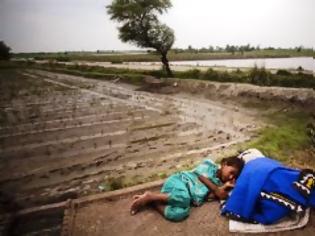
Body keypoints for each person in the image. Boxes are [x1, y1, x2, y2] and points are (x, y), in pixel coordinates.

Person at [130, 156, 245, 222]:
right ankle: (150, 196)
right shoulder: (210, 166)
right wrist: (217, 190)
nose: (231, 177)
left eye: (234, 177)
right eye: (231, 172)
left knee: (181, 213)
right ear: (224, 164)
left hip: (178, 197)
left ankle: (153, 202)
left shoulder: (219, 185)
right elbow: (200, 176)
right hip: (178, 182)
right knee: (185, 198)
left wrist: (223, 189)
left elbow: (205, 196)